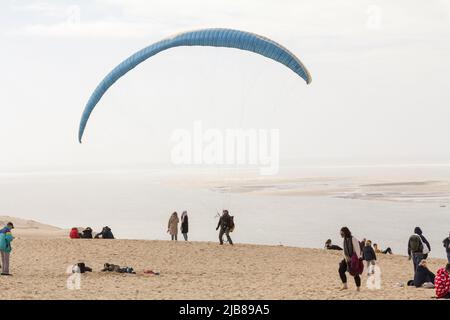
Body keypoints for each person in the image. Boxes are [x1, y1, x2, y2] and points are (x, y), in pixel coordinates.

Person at [338, 227, 362, 291]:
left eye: (342, 233)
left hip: (354, 259)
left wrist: (357, 259)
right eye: (340, 233)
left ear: (346, 232)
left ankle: (358, 288)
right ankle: (345, 285)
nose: (341, 234)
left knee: (355, 273)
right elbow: (344, 250)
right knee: (341, 270)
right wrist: (346, 258)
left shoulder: (353, 239)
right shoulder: (344, 240)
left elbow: (357, 250)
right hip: (346, 258)